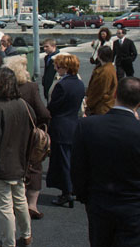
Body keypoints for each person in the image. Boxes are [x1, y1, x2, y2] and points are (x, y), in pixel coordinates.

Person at [71, 77, 140, 247]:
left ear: (115, 94)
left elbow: (78, 167)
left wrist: (85, 197)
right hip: (133, 207)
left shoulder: (87, 126)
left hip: (99, 202)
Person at [0, 67, 33, 247]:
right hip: (20, 162)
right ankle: (26, 235)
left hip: (1, 165)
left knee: (5, 208)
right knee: (21, 201)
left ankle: (9, 243)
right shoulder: (23, 105)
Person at [2, 55, 50, 220]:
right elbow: (42, 112)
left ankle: (16, 203)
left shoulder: (4, 88)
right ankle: (32, 205)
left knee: (14, 166)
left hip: (9, 134)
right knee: (34, 166)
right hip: (29, 134)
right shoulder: (31, 87)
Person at [46, 53, 85, 208]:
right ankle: (72, 189)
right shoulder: (79, 84)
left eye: (58, 66)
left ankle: (67, 192)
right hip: (74, 124)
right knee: (71, 159)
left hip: (61, 125)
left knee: (62, 161)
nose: (56, 68)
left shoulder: (62, 85)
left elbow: (53, 106)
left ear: (65, 68)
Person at [85, 46, 117, 116]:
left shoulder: (105, 71)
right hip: (104, 105)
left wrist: (88, 103)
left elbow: (99, 92)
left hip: (101, 107)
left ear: (99, 56)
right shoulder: (108, 67)